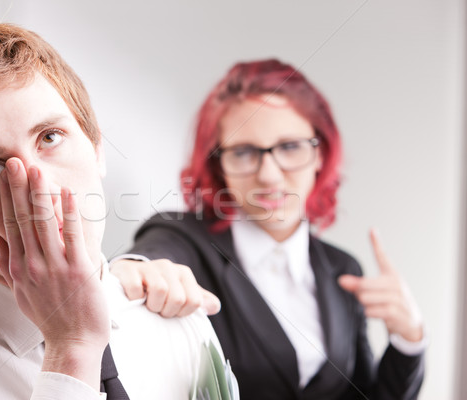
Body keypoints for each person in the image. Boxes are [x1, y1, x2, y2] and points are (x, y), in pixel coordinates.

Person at [0, 23, 233, 400]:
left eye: (49, 138)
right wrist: (72, 349)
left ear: (97, 149)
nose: (41, 189)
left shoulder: (178, 321)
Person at [111, 59, 426, 399]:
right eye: (244, 152)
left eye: (289, 147)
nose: (269, 175)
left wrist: (409, 338)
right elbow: (151, 258)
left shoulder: (343, 270)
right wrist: (134, 270)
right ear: (220, 165)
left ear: (320, 153)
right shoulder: (185, 238)